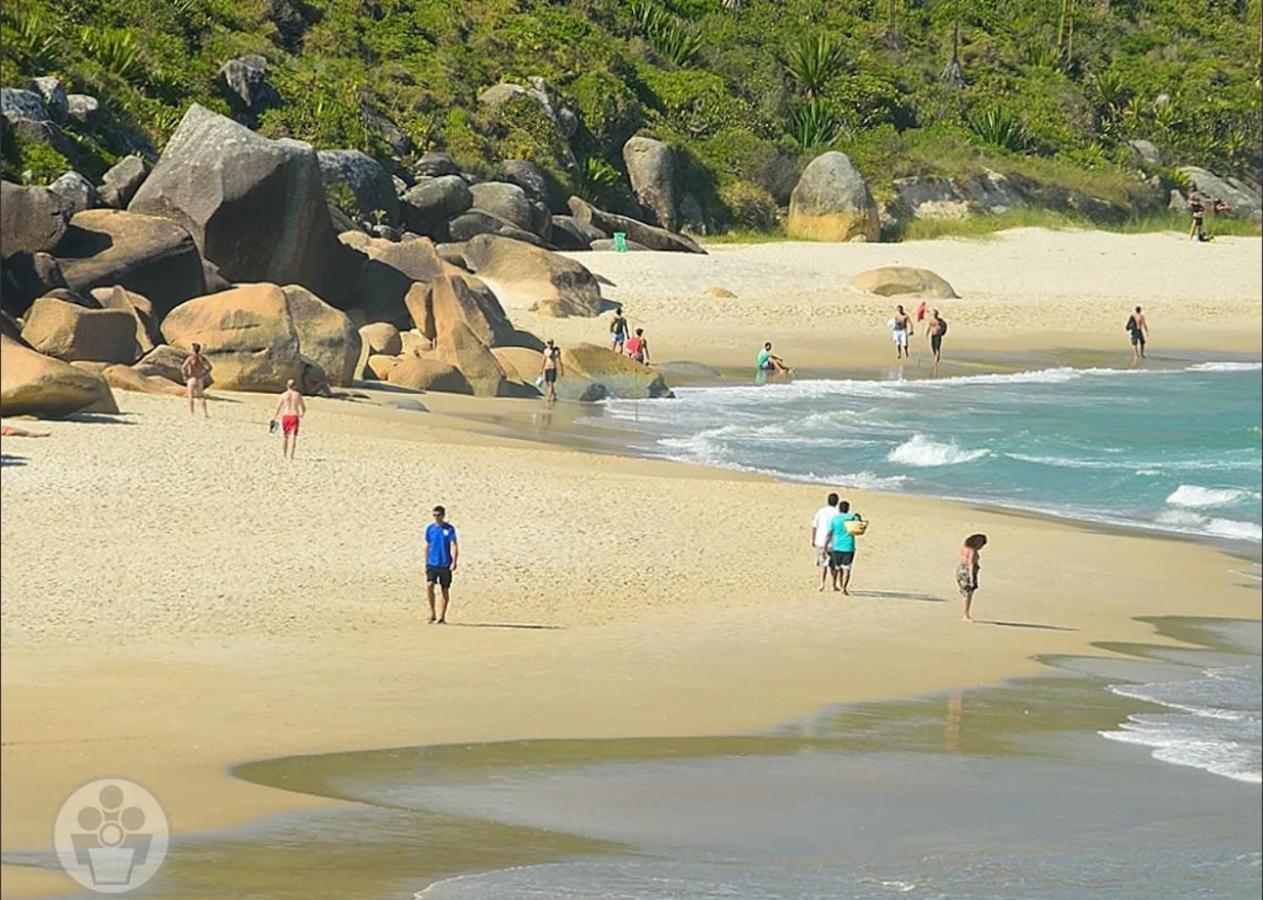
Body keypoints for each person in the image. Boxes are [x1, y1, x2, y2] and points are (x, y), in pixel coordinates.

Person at [424, 505, 459, 624]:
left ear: (443, 515)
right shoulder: (430, 529)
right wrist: (426, 561)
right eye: (434, 515)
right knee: (429, 585)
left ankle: (442, 616)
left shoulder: (449, 529)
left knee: (444, 589)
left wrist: (454, 561)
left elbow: (454, 544)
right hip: (432, 563)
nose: (436, 518)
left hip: (445, 563)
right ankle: (432, 613)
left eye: (438, 515)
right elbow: (427, 545)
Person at [825, 500, 863, 595]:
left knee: (837, 568)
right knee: (847, 568)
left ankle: (835, 583)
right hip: (849, 546)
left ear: (839, 508)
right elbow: (860, 524)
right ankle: (844, 588)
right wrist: (858, 516)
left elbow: (830, 533)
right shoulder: (852, 517)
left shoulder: (835, 519)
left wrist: (826, 545)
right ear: (848, 509)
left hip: (837, 546)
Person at [811, 492, 841, 591]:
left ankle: (822, 584)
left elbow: (814, 526)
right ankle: (834, 584)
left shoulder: (820, 512)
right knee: (834, 566)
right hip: (834, 543)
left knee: (823, 564)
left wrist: (813, 539)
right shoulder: (838, 513)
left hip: (820, 541)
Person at [272, 379, 306, 459]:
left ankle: (284, 455)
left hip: (285, 416)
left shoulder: (283, 395)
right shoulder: (297, 395)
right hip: (294, 416)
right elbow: (303, 407)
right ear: (295, 386)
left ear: (287, 386)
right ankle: (291, 455)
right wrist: (302, 414)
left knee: (285, 436)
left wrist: (274, 417)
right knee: (293, 436)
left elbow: (278, 407)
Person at [957, 533, 987, 622]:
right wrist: (972, 577)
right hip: (967, 572)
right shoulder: (972, 550)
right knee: (968, 593)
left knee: (965, 593)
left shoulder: (964, 547)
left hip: (960, 569)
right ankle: (966, 615)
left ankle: (966, 614)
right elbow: (971, 563)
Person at [181, 343, 212, 417]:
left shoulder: (190, 358)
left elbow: (183, 367)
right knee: (201, 396)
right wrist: (204, 374)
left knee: (191, 396)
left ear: (193, 349)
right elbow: (210, 367)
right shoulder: (202, 358)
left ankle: (192, 413)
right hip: (199, 379)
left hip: (192, 378)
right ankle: (205, 413)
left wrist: (185, 376)